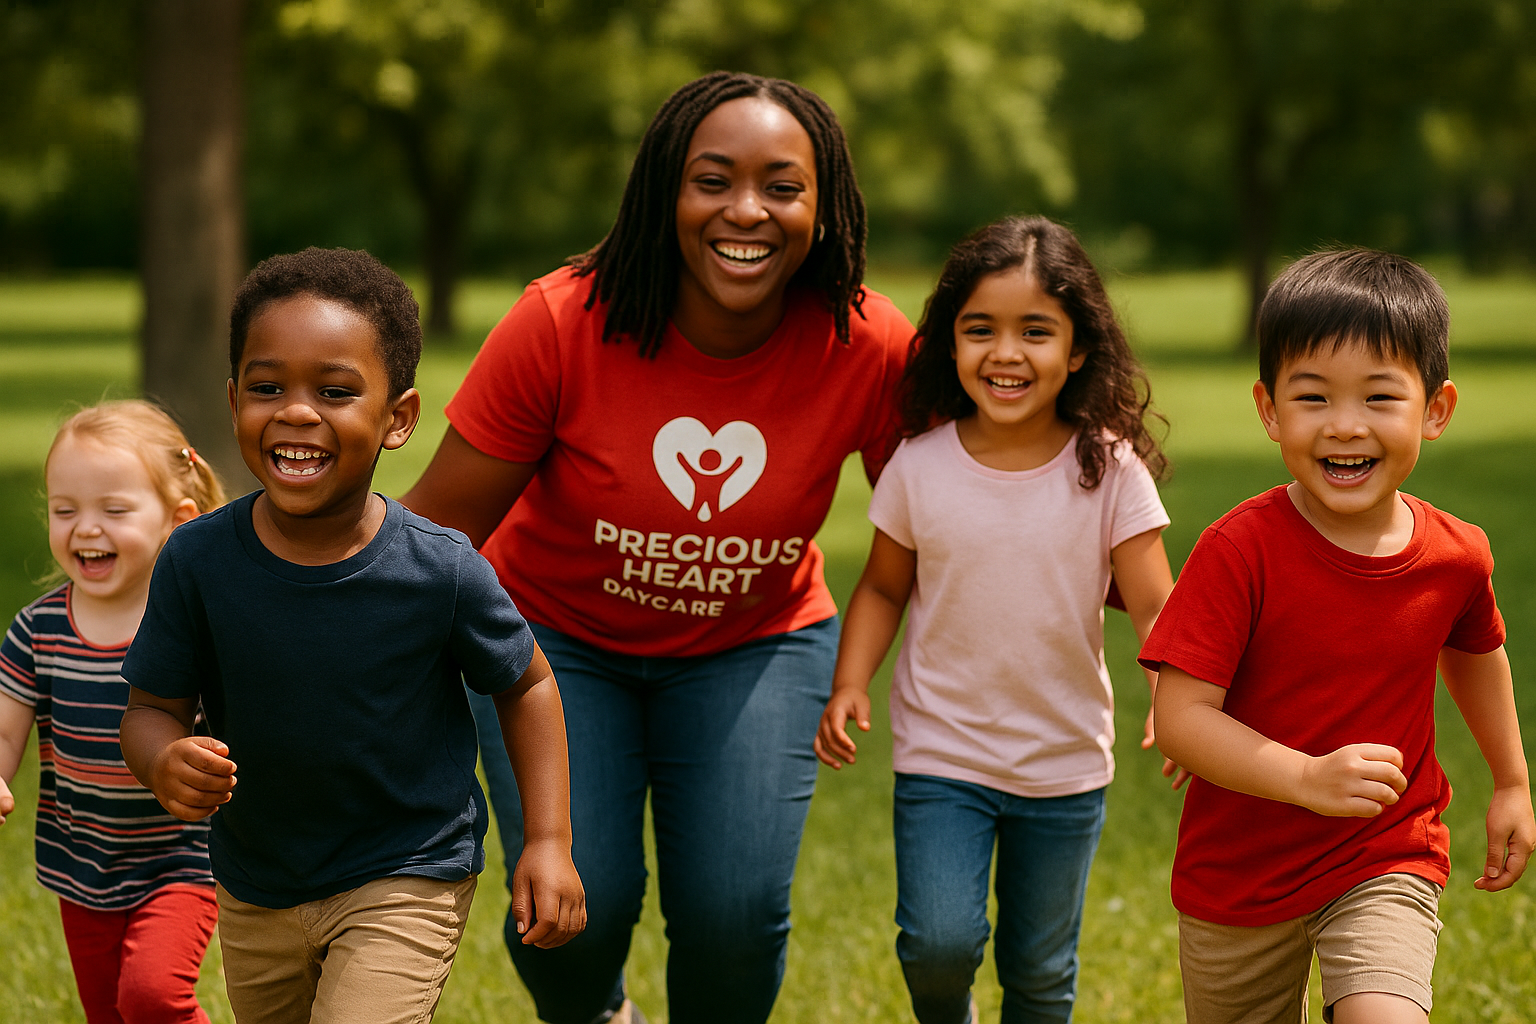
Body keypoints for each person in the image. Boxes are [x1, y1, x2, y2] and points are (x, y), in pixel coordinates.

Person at [400, 71, 913, 1024]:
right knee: (572, 908)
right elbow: (436, 531)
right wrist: (292, 624)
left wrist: (1121, 571)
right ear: (663, 193)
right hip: (549, 645)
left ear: (827, 205)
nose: (746, 212)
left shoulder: (868, 341)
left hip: (758, 643)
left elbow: (951, 517)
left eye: (783, 187)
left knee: (733, 912)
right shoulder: (562, 321)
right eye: (712, 180)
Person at [117, 248, 585, 1024]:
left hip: (404, 871)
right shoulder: (197, 561)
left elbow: (527, 681)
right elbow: (150, 708)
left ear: (397, 419)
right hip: (256, 881)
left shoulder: (439, 570)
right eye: (268, 388)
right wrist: (162, 758)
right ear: (234, 401)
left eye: (335, 392)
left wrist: (548, 840)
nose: (297, 412)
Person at [1144, 248, 1536, 1024]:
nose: (1346, 425)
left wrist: (1512, 780)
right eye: (1313, 397)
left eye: (1380, 397)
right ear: (1269, 410)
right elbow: (1183, 720)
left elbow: (1476, 651)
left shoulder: (1457, 554)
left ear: (1436, 409)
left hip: (1384, 850)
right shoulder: (1238, 550)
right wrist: (1304, 779)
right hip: (1241, 875)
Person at [815, 216, 1176, 1024]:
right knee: (936, 945)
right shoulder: (921, 464)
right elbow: (880, 589)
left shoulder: (1109, 468)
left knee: (1041, 972)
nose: (1006, 353)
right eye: (981, 330)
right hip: (944, 755)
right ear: (950, 343)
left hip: (1064, 764)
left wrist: (1173, 697)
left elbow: (1156, 605)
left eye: (1035, 332)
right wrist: (849, 685)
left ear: (1078, 350)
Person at [0, 400, 225, 1024]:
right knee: (108, 1013)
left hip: (183, 857)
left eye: (114, 510)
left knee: (152, 997)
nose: (85, 528)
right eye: (64, 509)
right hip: (82, 859)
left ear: (177, 521)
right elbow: (5, 726)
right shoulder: (38, 630)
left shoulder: (195, 630)